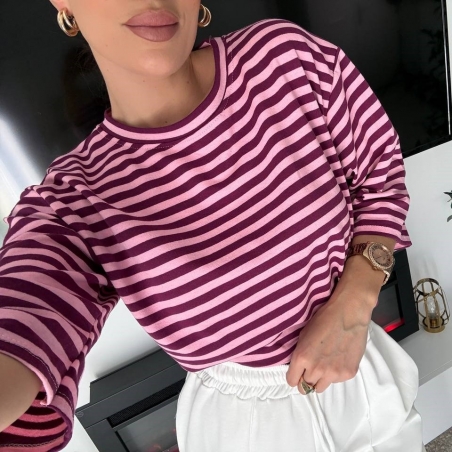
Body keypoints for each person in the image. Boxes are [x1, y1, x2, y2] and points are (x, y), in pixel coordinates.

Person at [0, 1, 426, 451]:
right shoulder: (72, 203)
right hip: (248, 432)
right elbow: (25, 316)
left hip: (366, 378)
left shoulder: (285, 59)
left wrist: (355, 304)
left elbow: (380, 177)